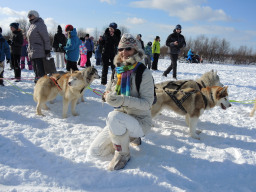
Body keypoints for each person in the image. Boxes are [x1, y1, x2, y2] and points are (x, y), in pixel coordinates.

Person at [87, 33, 155, 171]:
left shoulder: (143, 72)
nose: (124, 52)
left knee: (113, 117)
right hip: (120, 119)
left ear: (136, 50)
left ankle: (123, 153)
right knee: (96, 151)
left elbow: (148, 103)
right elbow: (107, 91)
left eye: (128, 48)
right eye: (121, 49)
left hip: (140, 120)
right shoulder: (116, 70)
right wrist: (107, 96)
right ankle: (128, 137)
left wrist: (122, 100)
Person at [26, 10, 51, 83]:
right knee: (36, 71)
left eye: (30, 15)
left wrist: (47, 49)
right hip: (33, 51)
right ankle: (38, 85)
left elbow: (46, 38)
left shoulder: (40, 24)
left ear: (35, 15)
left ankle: (43, 86)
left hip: (39, 51)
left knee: (41, 71)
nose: (29, 17)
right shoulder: (32, 25)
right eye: (28, 16)